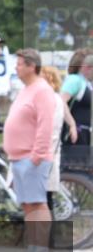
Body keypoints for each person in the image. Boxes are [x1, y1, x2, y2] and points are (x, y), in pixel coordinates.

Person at [2, 49, 59, 252]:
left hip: (32, 158)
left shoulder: (42, 91)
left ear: (31, 66)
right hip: (19, 157)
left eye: (19, 64)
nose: (16, 67)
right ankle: (33, 251)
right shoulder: (27, 89)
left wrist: (37, 154)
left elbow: (46, 124)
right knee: (28, 205)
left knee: (37, 204)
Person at [40, 66, 78, 213]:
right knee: (44, 197)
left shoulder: (50, 99)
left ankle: (46, 234)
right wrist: (72, 125)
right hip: (49, 153)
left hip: (45, 153)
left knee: (43, 198)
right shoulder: (54, 98)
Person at [61, 50, 92, 168]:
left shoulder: (85, 82)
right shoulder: (75, 80)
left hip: (84, 133)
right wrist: (72, 124)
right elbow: (61, 102)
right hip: (76, 133)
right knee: (77, 174)